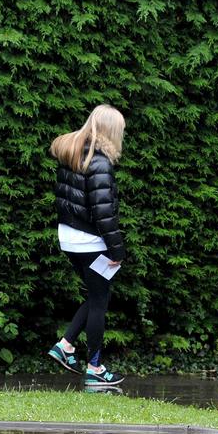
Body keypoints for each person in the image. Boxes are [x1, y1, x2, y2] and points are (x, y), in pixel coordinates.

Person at [46, 105, 128, 387]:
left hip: (69, 238)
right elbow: (104, 214)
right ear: (112, 131)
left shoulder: (73, 154)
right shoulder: (100, 162)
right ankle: (95, 368)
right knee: (99, 303)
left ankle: (66, 345)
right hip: (92, 241)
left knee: (94, 297)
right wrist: (116, 251)